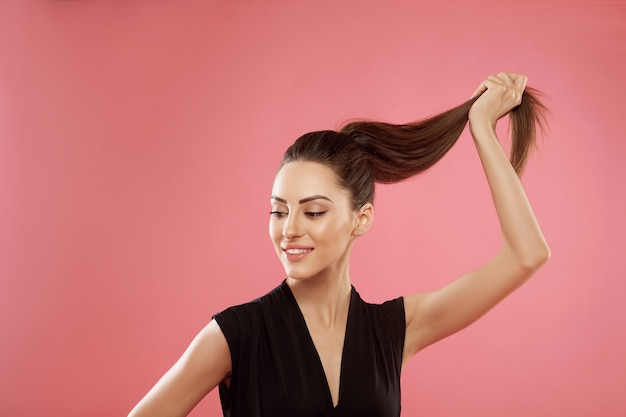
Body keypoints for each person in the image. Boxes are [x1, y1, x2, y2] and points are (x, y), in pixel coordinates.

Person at [128, 72, 550, 417]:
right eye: (278, 211)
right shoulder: (235, 335)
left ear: (360, 219)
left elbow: (526, 256)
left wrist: (482, 131)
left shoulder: (395, 330)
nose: (289, 229)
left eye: (313, 212)